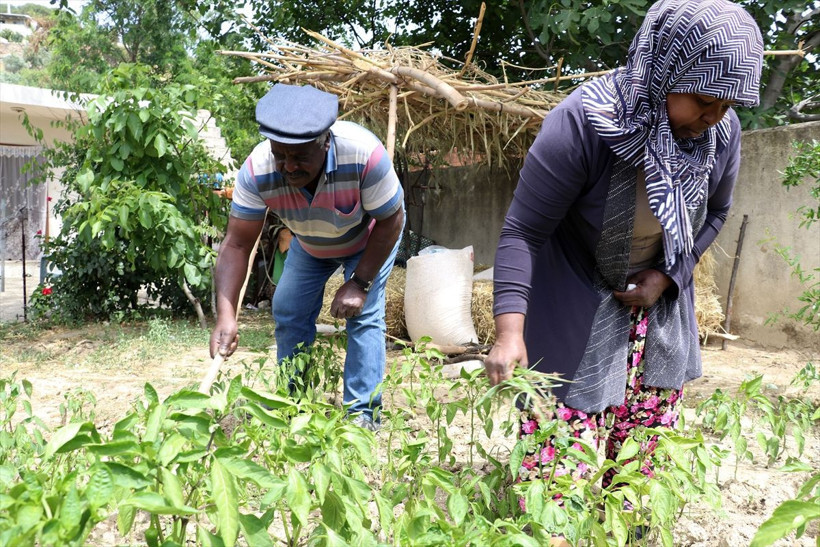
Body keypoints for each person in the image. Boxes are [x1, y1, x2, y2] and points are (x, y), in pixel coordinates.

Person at [485, 0, 763, 490]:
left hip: (656, 302)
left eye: (727, 105)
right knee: (560, 454)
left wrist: (670, 276)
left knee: (640, 460)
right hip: (576, 289)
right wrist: (510, 331)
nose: (714, 117)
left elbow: (716, 212)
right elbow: (523, 231)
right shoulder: (584, 123)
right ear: (665, 71)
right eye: (703, 100)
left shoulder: (720, 135)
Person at [210, 83, 405, 431]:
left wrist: (359, 283)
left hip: (370, 237)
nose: (288, 165)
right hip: (311, 243)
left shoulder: (363, 155)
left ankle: (362, 415)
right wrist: (226, 316)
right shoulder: (257, 170)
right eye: (280, 154)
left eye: (300, 156)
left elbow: (392, 219)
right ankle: (292, 403)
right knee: (288, 309)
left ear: (325, 142)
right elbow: (237, 245)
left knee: (363, 314)